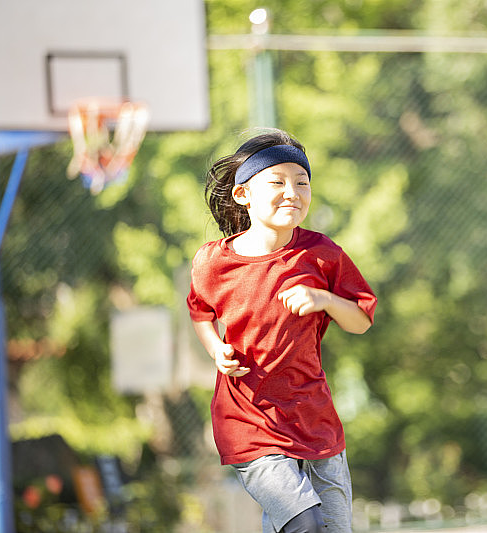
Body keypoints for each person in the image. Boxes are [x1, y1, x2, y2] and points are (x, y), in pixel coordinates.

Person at [186, 129, 377, 533]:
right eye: (276, 182)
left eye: (301, 183)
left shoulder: (322, 255)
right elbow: (200, 311)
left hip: (314, 417)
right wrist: (215, 348)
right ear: (243, 195)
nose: (292, 191)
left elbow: (360, 320)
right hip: (249, 422)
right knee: (304, 524)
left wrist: (325, 300)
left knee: (330, 528)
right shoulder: (212, 263)